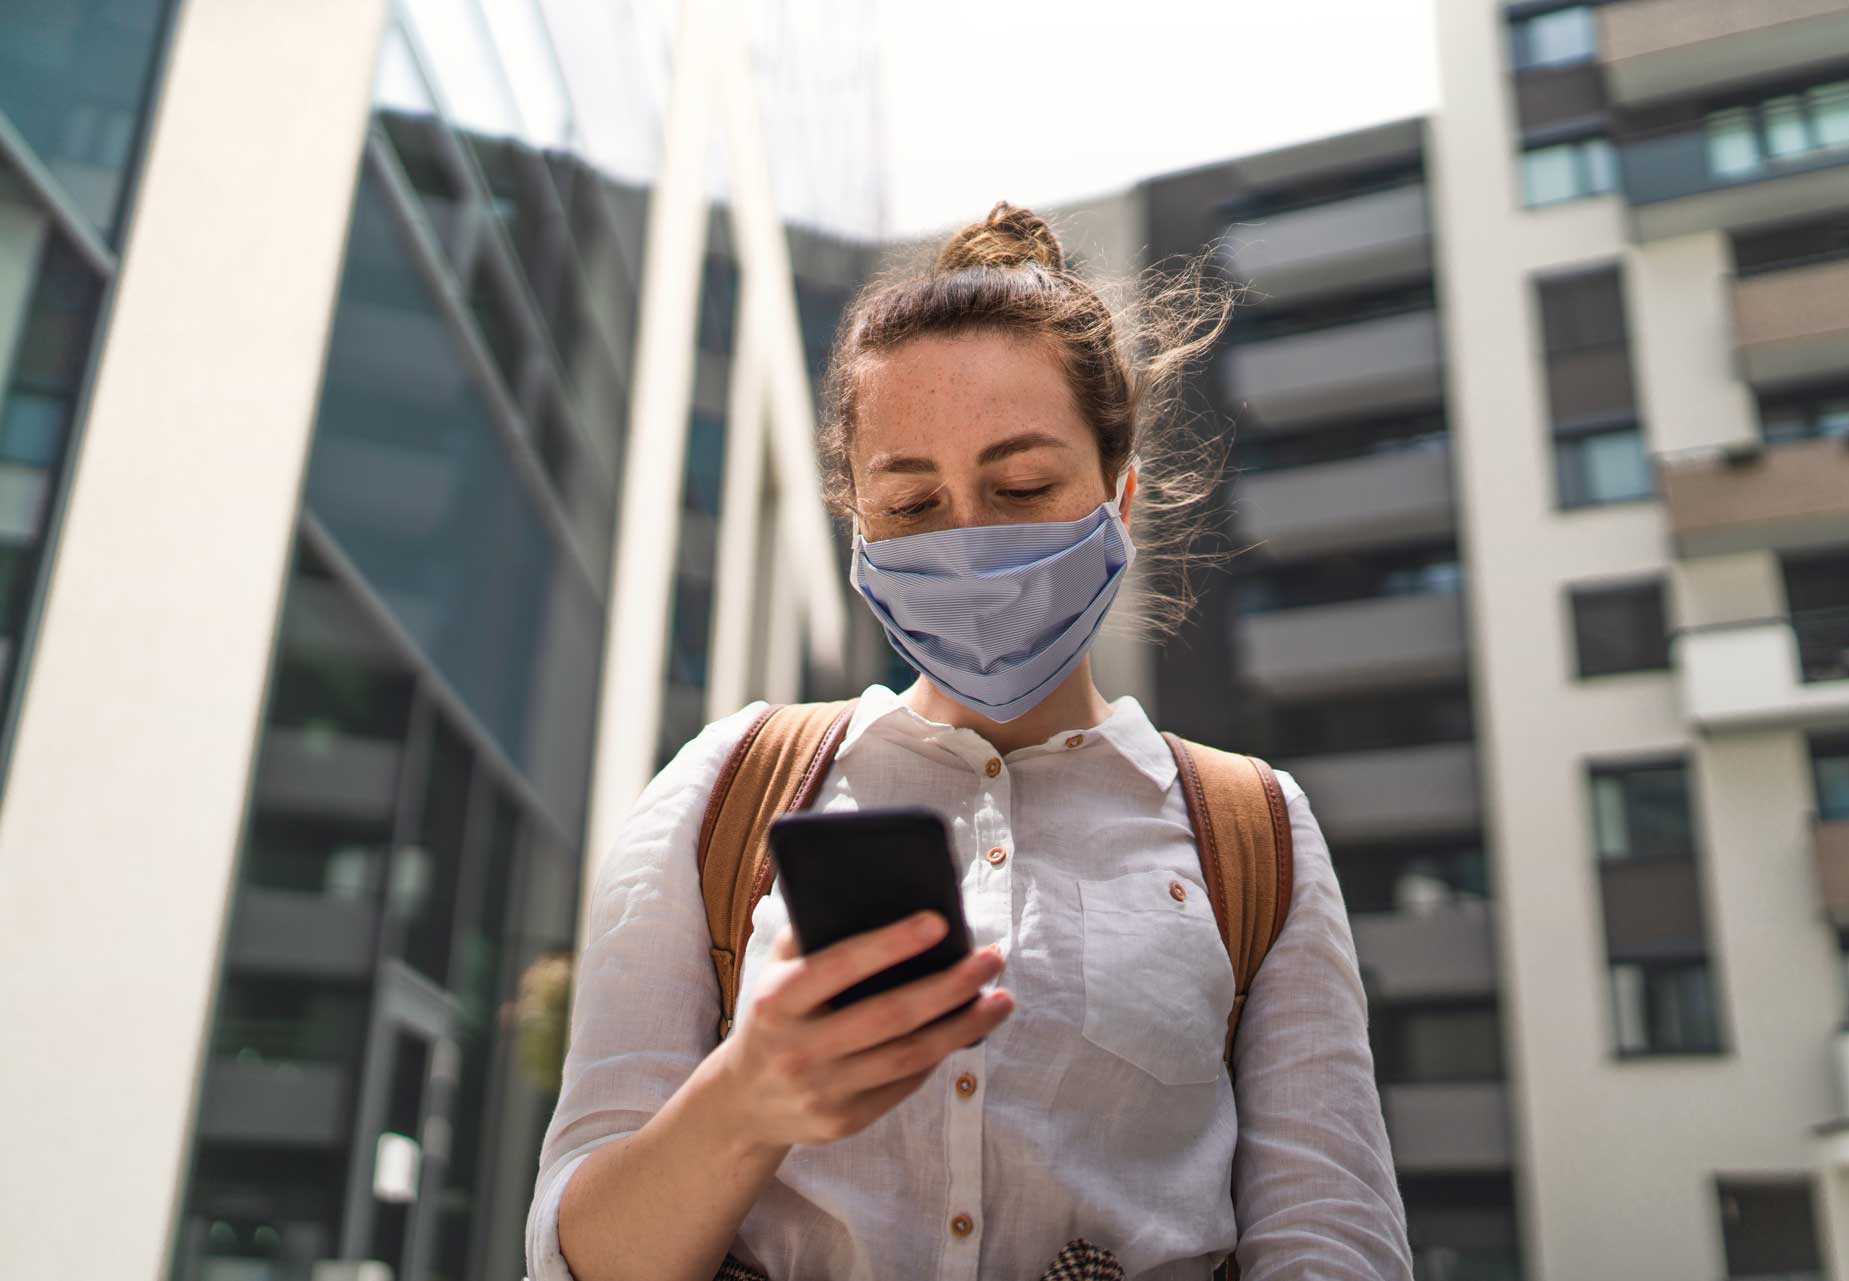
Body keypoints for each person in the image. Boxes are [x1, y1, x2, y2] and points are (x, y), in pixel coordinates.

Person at [523, 201, 1414, 1281]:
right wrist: (747, 1099)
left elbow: (1332, 1243)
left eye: (1024, 486)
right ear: (859, 527)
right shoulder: (727, 788)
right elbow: (576, 1257)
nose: (970, 539)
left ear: (1119, 498)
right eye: (910, 501)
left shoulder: (1254, 830)